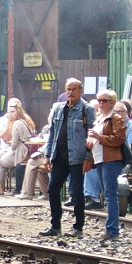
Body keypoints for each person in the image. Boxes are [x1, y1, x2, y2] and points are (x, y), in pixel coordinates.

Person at [39, 78, 94, 238]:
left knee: (77, 193)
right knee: (53, 189)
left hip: (77, 158)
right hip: (59, 157)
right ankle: (55, 226)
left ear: (80, 91)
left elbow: (91, 135)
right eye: (68, 89)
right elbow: (52, 134)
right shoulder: (59, 109)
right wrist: (47, 155)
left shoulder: (86, 109)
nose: (70, 92)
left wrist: (87, 158)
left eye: (74, 89)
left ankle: (78, 228)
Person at [89, 89, 128, 241]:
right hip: (100, 158)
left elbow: (118, 139)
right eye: (99, 100)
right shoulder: (100, 118)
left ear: (112, 102)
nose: (100, 103)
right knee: (107, 194)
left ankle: (112, 230)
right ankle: (111, 228)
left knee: (110, 195)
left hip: (111, 159)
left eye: (104, 100)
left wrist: (99, 137)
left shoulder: (116, 119)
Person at [0, 98, 36, 187]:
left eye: (14, 110)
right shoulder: (2, 120)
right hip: (7, 147)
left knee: (0, 160)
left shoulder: (24, 120)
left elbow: (17, 141)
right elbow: (6, 138)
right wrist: (9, 123)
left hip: (20, 150)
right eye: (9, 109)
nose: (10, 113)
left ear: (19, 109)